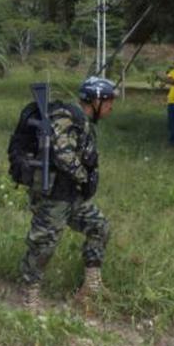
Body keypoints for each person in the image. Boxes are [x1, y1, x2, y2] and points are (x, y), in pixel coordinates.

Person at [19, 77, 116, 310]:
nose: (112, 107)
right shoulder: (66, 117)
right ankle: (29, 296)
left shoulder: (81, 121)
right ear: (96, 100)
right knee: (43, 244)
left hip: (73, 196)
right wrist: (84, 174)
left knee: (99, 227)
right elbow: (63, 154)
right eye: (109, 101)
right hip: (55, 195)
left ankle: (91, 286)